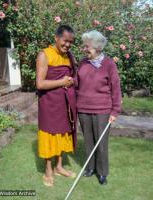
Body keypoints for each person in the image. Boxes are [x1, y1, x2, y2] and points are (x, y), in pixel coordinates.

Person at [76, 30, 122, 185]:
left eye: (87, 46)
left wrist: (115, 111)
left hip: (102, 110)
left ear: (97, 47)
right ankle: (90, 168)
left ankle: (102, 172)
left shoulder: (109, 64)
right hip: (83, 109)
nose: (84, 49)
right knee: (88, 141)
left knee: (101, 144)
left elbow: (116, 89)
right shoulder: (82, 63)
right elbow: (77, 84)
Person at [36, 25, 77, 187]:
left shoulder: (69, 56)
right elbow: (40, 84)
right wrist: (62, 82)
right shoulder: (44, 54)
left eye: (70, 42)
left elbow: (72, 75)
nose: (67, 45)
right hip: (49, 103)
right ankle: (48, 170)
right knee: (49, 135)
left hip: (64, 103)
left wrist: (72, 81)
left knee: (62, 134)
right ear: (56, 38)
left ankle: (59, 167)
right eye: (65, 41)